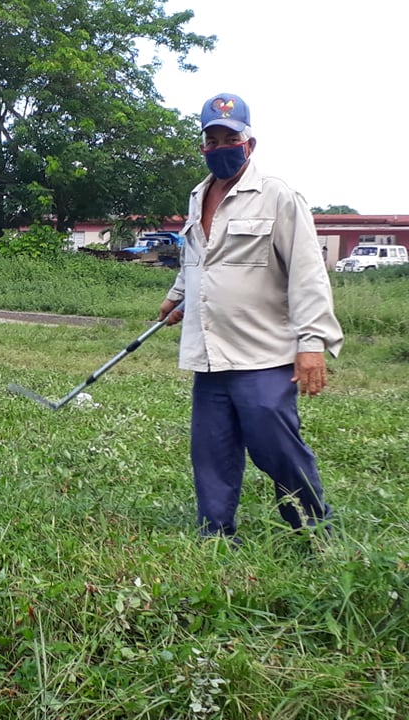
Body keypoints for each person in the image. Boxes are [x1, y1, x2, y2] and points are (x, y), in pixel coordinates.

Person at [157, 93, 343, 542]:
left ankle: (314, 531)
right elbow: (197, 260)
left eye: (231, 137)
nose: (222, 146)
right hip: (209, 352)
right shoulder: (199, 194)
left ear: (249, 143)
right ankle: (216, 533)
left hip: (261, 354)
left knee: (277, 448)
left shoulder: (278, 196)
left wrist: (312, 343)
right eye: (213, 139)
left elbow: (307, 273)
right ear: (203, 145)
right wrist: (177, 296)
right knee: (212, 451)